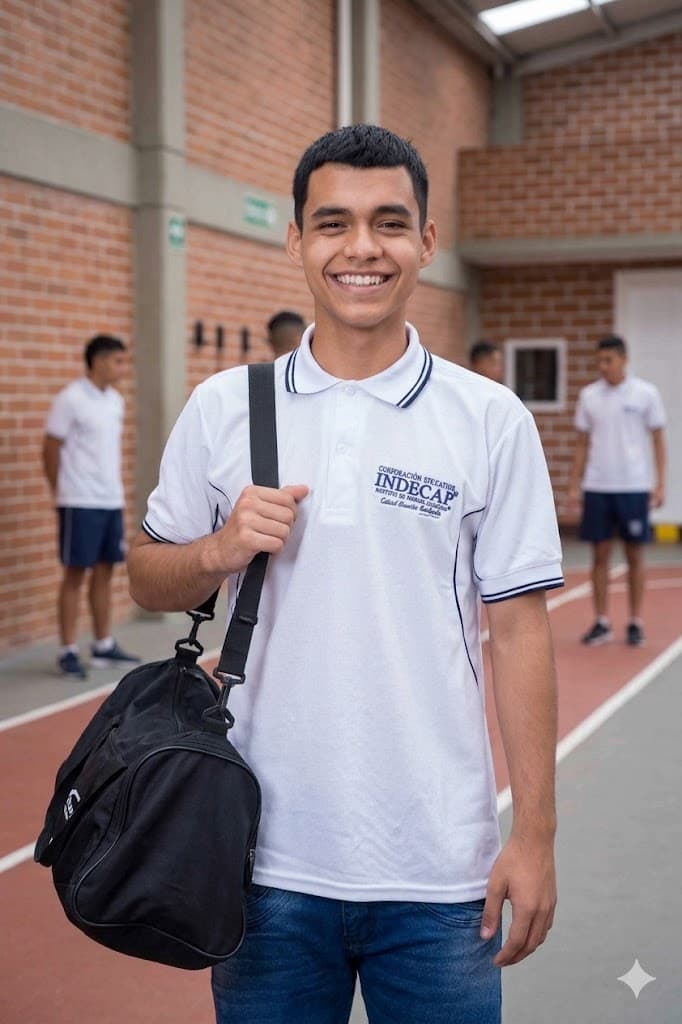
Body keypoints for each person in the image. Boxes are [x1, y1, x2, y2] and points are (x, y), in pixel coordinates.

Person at [128, 124, 563, 1024]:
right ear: (296, 242)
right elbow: (146, 577)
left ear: (427, 243)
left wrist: (536, 835)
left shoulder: (489, 418)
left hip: (443, 873)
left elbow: (520, 631)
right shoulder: (222, 409)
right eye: (333, 224)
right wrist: (216, 551)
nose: (362, 248)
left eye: (389, 223)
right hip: (260, 865)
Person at [43, 334, 141, 679]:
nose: (122, 367)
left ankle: (103, 645)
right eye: (117, 360)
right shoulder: (70, 399)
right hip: (79, 501)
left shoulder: (115, 400)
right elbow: (51, 448)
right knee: (74, 574)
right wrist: (62, 492)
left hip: (109, 501)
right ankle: (67, 650)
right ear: (97, 360)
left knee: (105, 571)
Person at [567, 334, 666, 647]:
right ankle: (601, 621)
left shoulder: (646, 394)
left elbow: (658, 439)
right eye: (599, 361)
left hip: (634, 486)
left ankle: (635, 621)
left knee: (635, 554)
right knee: (599, 555)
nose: (602, 367)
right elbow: (581, 443)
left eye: (608, 360)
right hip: (598, 486)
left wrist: (660, 483)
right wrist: (574, 484)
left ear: (624, 359)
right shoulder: (589, 396)